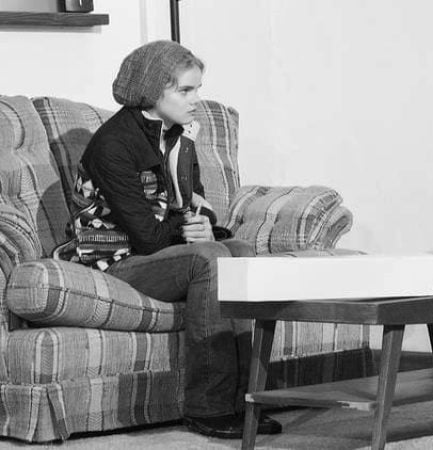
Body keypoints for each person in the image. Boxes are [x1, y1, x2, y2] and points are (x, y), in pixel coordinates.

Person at [71, 40, 282, 439]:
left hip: (161, 250)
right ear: (152, 90)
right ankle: (209, 407)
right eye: (185, 91)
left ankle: (246, 401)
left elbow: (192, 204)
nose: (196, 100)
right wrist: (191, 231)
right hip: (116, 259)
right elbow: (148, 237)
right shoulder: (113, 145)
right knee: (210, 260)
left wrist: (206, 226)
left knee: (237, 251)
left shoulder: (179, 137)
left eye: (198, 89)